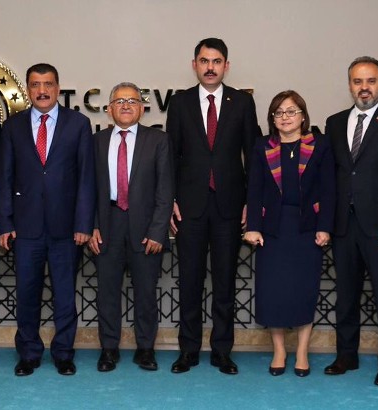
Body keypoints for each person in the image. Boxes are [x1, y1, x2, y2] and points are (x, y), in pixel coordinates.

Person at [166, 38, 259, 375]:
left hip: (229, 207)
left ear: (226, 66)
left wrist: (252, 202)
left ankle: (222, 351)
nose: (210, 67)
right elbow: (171, 155)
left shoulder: (242, 103)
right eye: (204, 61)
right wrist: (170, 201)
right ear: (194, 65)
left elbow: (253, 155)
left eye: (216, 61)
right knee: (189, 282)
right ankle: (188, 351)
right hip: (189, 207)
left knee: (224, 284)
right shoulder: (180, 102)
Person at [0, 63, 95, 377]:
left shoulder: (78, 124)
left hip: (66, 229)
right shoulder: (12, 127)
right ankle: (28, 353)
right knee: (27, 294)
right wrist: (5, 223)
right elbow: (3, 178)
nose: (42, 90)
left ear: (57, 88)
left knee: (65, 295)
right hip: (25, 229)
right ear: (28, 89)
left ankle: (64, 353)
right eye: (36, 85)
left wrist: (83, 224)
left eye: (48, 84)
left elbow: (86, 178)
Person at [324, 56, 378, 387]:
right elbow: (333, 174)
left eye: (371, 81)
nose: (364, 87)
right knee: (346, 295)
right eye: (358, 81)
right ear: (349, 85)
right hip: (343, 225)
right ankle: (346, 355)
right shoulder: (334, 123)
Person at [243, 90, 334, 377]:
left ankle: (303, 352)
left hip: (307, 228)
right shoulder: (262, 146)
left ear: (303, 116)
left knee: (304, 290)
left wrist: (325, 227)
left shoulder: (319, 145)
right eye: (279, 112)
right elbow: (254, 189)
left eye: (291, 111)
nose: (285, 117)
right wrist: (253, 226)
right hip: (272, 229)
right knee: (273, 291)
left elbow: (329, 189)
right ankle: (279, 351)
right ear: (272, 118)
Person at [88, 82, 173, 372]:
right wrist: (92, 226)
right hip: (107, 225)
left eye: (132, 101)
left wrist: (158, 231)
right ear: (109, 109)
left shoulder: (158, 140)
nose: (126, 105)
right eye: (120, 101)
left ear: (142, 108)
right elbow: (88, 188)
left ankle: (145, 349)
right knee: (107, 292)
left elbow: (165, 190)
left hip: (146, 227)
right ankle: (108, 349)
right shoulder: (97, 141)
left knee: (146, 292)